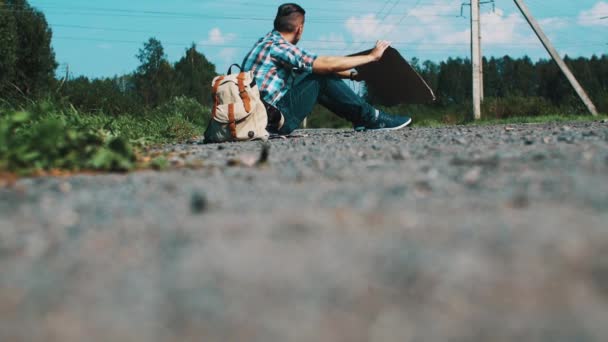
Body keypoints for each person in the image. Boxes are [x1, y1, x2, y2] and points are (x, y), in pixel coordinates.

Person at [241, 3, 412, 135]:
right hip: (271, 122)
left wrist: (353, 76)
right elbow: (324, 65)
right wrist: (371, 57)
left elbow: (314, 67)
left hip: (258, 118)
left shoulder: (266, 43)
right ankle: (372, 118)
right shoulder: (279, 47)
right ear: (300, 29)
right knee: (318, 77)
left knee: (312, 72)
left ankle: (361, 119)